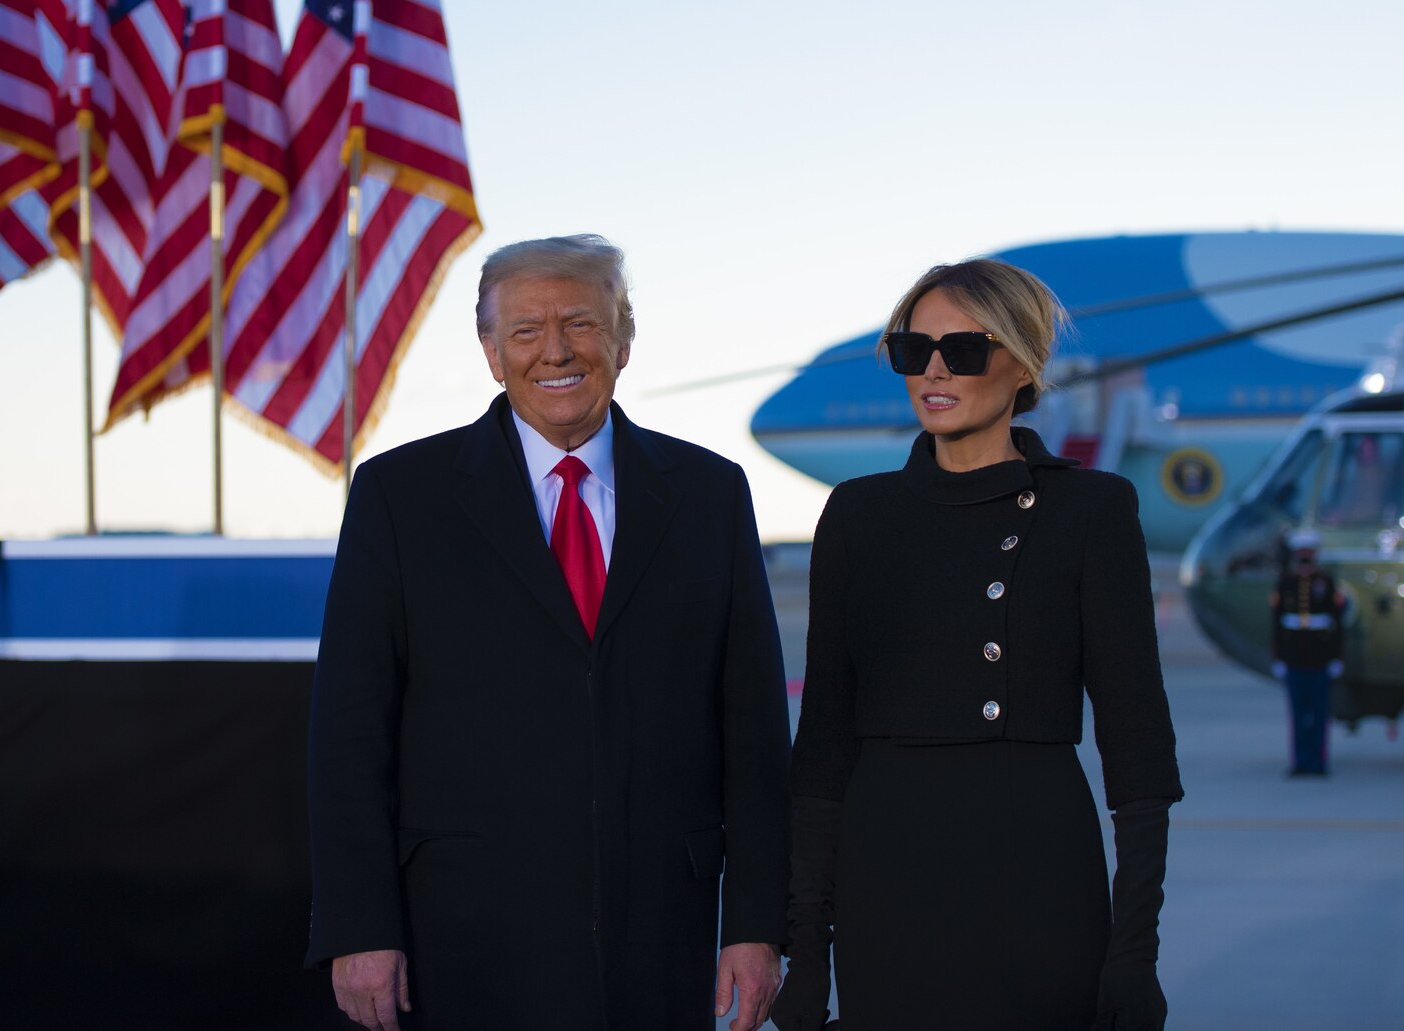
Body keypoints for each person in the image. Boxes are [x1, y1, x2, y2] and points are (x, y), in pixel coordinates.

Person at [305, 234, 791, 1031]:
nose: (555, 350)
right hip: (461, 945)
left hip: (661, 940)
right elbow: (348, 736)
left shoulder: (710, 494)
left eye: (581, 323)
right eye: (526, 330)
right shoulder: (401, 497)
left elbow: (755, 736)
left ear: (623, 340)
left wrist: (757, 923)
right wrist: (359, 925)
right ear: (492, 354)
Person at [771, 258, 1184, 1031]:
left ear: (1022, 363)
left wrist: (1136, 952)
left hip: (1034, 868)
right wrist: (807, 956)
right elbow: (822, 751)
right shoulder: (858, 516)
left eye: (963, 349)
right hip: (885, 871)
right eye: (911, 349)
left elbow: (1139, 752)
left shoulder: (1090, 509)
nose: (933, 369)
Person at [1270, 528, 1346, 776]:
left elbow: (1337, 624)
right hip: (1294, 657)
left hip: (1320, 656)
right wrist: (1278, 657)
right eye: (1301, 553)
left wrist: (1336, 657)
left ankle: (1318, 762)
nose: (1305, 558)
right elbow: (1277, 623)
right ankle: (1300, 762)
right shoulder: (1286, 582)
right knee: (1298, 714)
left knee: (1319, 714)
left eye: (1308, 553)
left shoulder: (1325, 582)